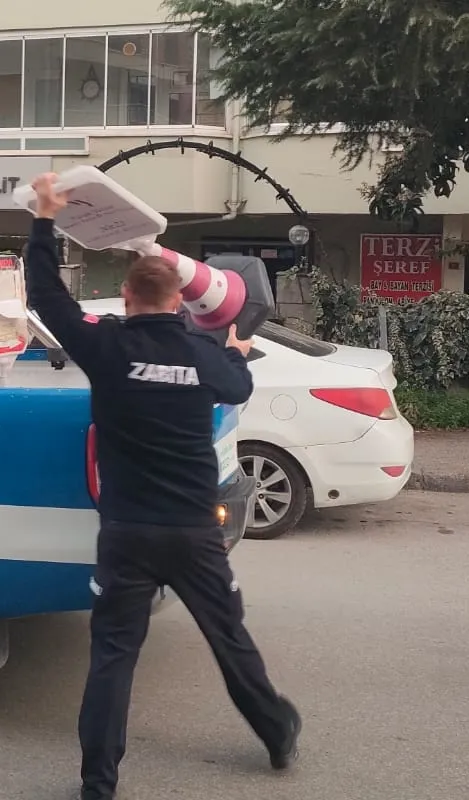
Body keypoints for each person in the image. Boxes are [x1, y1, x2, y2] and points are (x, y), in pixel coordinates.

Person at [22, 173, 301, 800]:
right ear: (179, 301)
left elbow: (45, 295)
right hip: (194, 532)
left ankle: (99, 784)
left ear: (126, 295)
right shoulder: (202, 354)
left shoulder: (105, 345)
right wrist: (237, 347)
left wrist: (44, 218)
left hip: (126, 533)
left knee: (113, 657)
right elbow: (238, 385)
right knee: (229, 638)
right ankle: (277, 732)